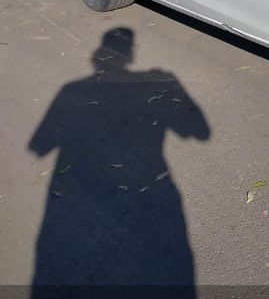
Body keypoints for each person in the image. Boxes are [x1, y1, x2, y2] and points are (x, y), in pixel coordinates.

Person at [29, 28, 210, 294]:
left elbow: (40, 146)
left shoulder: (71, 90)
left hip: (86, 197)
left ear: (96, 58)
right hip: (154, 187)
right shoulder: (159, 80)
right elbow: (200, 132)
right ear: (131, 54)